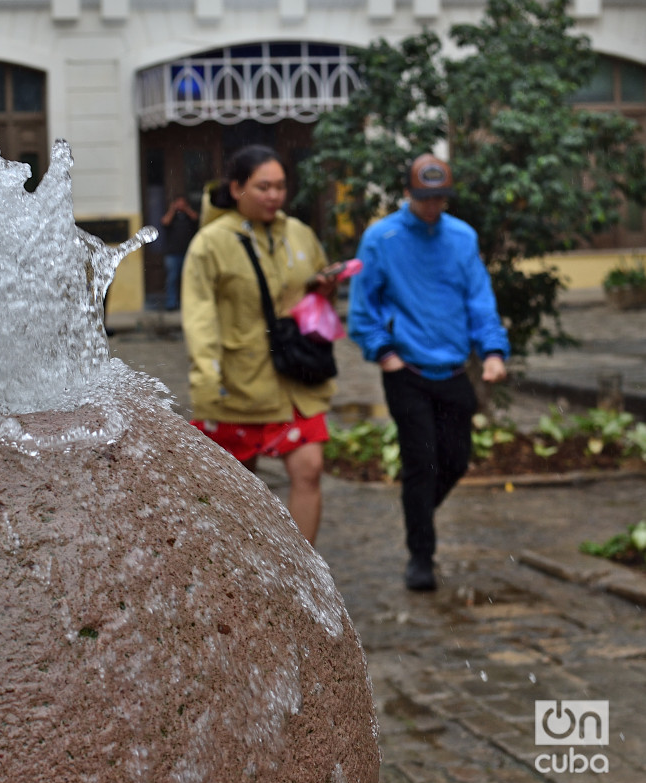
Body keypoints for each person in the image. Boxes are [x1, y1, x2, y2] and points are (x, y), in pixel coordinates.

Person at [348, 153, 510, 591]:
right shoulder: (382, 238)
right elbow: (361, 307)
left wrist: (492, 350)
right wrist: (385, 354)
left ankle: (418, 513)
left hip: (453, 367)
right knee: (421, 461)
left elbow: (480, 299)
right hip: (406, 369)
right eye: (425, 198)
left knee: (456, 460)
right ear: (407, 194)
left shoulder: (462, 237)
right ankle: (422, 557)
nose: (433, 206)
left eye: (440, 198)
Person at [182, 145, 340, 547]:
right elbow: (200, 318)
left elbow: (314, 301)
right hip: (239, 383)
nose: (274, 196)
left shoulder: (300, 234)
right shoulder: (209, 244)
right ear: (236, 189)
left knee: (309, 468)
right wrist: (206, 379)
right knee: (238, 485)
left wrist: (324, 291)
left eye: (281, 187)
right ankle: (245, 573)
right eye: (263, 187)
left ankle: (306, 573)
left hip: (293, 381)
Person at [159, 195, 198, 311]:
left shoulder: (189, 216)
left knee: (188, 279)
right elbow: (164, 222)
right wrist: (172, 210)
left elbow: (196, 218)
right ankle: (171, 303)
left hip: (188, 253)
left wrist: (186, 209)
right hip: (172, 254)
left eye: (183, 203)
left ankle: (188, 303)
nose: (180, 205)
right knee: (172, 279)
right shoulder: (172, 216)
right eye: (178, 203)